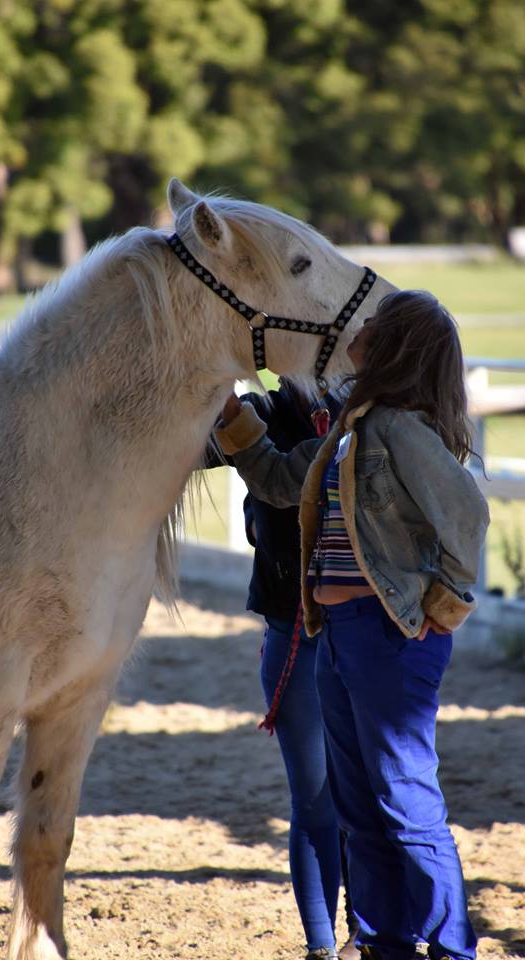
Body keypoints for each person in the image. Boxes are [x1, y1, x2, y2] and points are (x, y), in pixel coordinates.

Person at [215, 290, 490, 960]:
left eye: (375, 323)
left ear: (394, 345)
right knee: (360, 804)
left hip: (387, 633)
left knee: (402, 799)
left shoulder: (398, 428)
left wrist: (441, 608)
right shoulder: (353, 426)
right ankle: (382, 943)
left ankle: (453, 949)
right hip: (337, 632)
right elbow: (281, 481)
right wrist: (229, 418)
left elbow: (468, 520)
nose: (358, 328)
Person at [207, 382, 356, 960]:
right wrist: (211, 398)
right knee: (316, 799)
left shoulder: (366, 408)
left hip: (361, 634)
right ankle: (321, 944)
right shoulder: (261, 412)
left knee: (363, 797)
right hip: (292, 634)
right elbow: (192, 448)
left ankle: (363, 933)